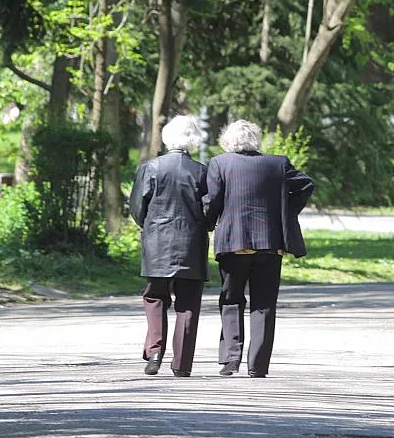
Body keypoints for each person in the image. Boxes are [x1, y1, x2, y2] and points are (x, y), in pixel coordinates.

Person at [203, 119, 314, 378]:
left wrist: (207, 224)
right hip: (270, 244)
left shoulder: (220, 163)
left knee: (231, 300)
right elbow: (306, 184)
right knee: (264, 304)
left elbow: (212, 200)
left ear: (228, 140)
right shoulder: (278, 163)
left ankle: (231, 360)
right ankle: (258, 366)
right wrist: (286, 211)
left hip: (233, 242)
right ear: (256, 139)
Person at [129, 115, 209, 377]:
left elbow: (137, 208)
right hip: (191, 244)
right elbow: (209, 210)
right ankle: (182, 364)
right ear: (194, 140)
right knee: (188, 303)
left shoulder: (150, 168)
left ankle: (154, 352)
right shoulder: (202, 171)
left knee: (155, 297)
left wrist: (149, 225)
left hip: (157, 243)